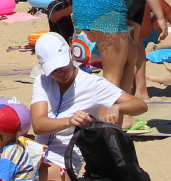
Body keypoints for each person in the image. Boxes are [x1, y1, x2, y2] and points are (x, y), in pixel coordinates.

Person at [27, 33, 145, 173]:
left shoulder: (92, 84)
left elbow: (140, 106)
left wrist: (118, 107)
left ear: (71, 53)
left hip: (64, 162)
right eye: (54, 71)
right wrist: (70, 121)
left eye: (63, 66)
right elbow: (39, 126)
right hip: (34, 155)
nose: (60, 73)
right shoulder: (42, 81)